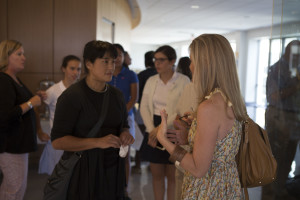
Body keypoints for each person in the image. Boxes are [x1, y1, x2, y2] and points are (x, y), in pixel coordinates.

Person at [156, 34, 247, 199]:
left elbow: (198, 168)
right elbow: (219, 146)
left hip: (207, 190)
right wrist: (192, 135)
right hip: (227, 186)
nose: (190, 66)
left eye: (192, 61)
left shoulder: (209, 107)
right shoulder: (231, 99)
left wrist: (164, 140)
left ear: (205, 64)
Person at [51, 40, 134, 200]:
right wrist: (97, 142)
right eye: (105, 62)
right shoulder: (72, 96)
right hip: (83, 172)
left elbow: (123, 125)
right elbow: (58, 141)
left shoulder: (117, 96)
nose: (111, 67)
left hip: (112, 169)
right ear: (89, 63)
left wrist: (125, 134)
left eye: (113, 61)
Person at [0, 39, 50, 200]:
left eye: (24, 54)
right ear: (6, 56)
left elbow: (20, 103)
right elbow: (5, 115)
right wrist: (30, 103)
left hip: (18, 144)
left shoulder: (14, 78)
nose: (24, 58)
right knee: (14, 188)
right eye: (19, 54)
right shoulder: (3, 80)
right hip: (10, 145)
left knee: (17, 187)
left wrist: (35, 97)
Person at [140, 45, 190, 200]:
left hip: (173, 127)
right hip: (153, 127)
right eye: (155, 60)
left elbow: (183, 108)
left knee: (172, 175)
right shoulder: (151, 80)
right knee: (156, 174)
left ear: (172, 61)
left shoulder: (183, 80)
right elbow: (144, 106)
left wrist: (160, 129)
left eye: (161, 60)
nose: (157, 63)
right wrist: (152, 130)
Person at [262, 40, 300, 200]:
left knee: (288, 158)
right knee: (274, 159)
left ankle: (280, 190)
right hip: (279, 118)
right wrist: (296, 86)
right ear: (288, 53)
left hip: (293, 119)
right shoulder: (277, 69)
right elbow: (273, 97)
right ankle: (270, 195)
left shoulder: (294, 69)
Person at [38, 55, 82, 175]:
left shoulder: (81, 90)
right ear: (63, 69)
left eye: (78, 69)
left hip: (77, 139)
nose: (75, 72)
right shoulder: (53, 90)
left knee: (75, 176)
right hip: (59, 139)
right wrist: (40, 131)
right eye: (72, 68)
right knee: (57, 176)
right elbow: (39, 109)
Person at [107, 44, 139, 199]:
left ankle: (124, 187)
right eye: (114, 55)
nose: (117, 58)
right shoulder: (106, 72)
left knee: (125, 153)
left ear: (124, 56)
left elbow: (134, 98)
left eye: (119, 55)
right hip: (107, 118)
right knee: (108, 151)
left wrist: (121, 112)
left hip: (126, 117)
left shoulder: (130, 74)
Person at [133, 50, 157, 172]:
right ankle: (151, 164)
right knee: (154, 137)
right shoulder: (159, 74)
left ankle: (138, 164)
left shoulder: (141, 75)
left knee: (140, 138)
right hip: (157, 112)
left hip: (143, 111)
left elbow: (137, 96)